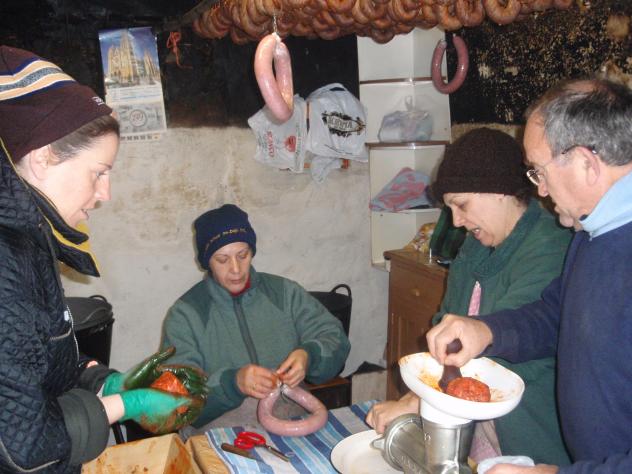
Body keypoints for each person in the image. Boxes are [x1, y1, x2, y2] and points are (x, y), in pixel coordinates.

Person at [0, 46, 206, 473]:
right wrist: (125, 405)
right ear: (43, 157)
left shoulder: (30, 239)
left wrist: (105, 382)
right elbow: (24, 447)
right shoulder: (6, 261)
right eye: (99, 172)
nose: (105, 194)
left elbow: (36, 364)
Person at [427, 78, 632, 474]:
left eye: (539, 172)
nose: (539, 191)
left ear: (586, 164)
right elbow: (556, 314)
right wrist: (488, 331)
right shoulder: (590, 235)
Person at [366, 128, 572, 465]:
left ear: (501, 191)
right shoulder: (475, 248)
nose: (457, 221)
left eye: (461, 205)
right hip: (481, 432)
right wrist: (412, 397)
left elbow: (502, 344)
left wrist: (416, 402)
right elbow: (446, 329)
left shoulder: (550, 248)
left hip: (535, 440)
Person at [161, 203, 351, 431]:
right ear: (207, 262)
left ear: (252, 252)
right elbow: (177, 400)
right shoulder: (186, 315)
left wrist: (309, 355)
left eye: (242, 255)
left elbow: (334, 338)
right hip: (220, 432)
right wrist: (232, 383)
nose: (235, 269)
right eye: (222, 259)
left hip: (292, 419)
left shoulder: (284, 293)